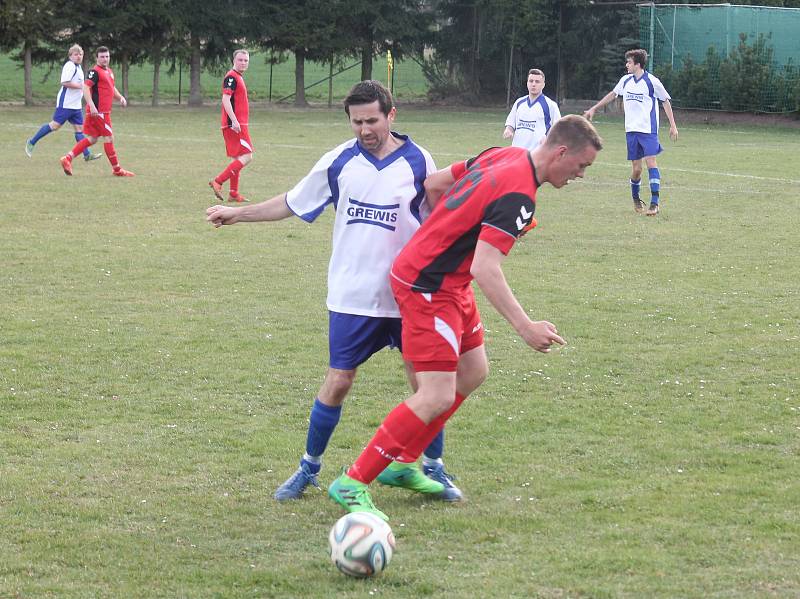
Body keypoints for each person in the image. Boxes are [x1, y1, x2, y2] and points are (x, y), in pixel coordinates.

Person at [328, 115, 603, 521]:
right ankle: (353, 481)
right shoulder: (520, 197)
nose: (581, 175)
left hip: (447, 280)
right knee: (435, 394)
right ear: (562, 152)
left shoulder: (503, 154)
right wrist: (525, 327)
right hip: (428, 284)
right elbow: (485, 267)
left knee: (473, 370)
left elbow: (435, 184)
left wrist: (448, 233)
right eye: (582, 166)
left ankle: (403, 464)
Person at [206, 80, 462, 504]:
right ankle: (308, 467)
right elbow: (292, 201)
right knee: (339, 381)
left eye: (372, 120)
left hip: (408, 296)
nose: (364, 129)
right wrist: (240, 213)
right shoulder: (339, 162)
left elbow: (439, 215)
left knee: (427, 387)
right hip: (352, 296)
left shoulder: (419, 161)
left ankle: (431, 467)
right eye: (357, 121)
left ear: (391, 115)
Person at [583, 48, 678, 216]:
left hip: (648, 130)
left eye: (629, 62)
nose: (626, 65)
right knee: (636, 170)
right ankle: (636, 198)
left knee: (651, 162)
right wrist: (594, 109)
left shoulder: (652, 82)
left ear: (638, 64)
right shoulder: (625, 81)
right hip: (631, 131)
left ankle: (655, 203)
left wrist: (673, 125)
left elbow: (665, 101)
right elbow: (613, 95)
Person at [59, 46, 134, 177]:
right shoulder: (94, 72)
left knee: (92, 139)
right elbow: (86, 88)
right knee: (109, 138)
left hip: (101, 112)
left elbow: (111, 87)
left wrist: (120, 97)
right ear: (97, 58)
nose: (105, 59)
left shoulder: (109, 71)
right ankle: (117, 170)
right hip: (99, 112)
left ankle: (67, 158)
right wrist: (92, 105)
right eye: (102, 57)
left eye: (107, 56)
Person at [25, 45, 101, 162]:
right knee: (55, 126)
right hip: (66, 104)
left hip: (75, 105)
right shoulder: (70, 66)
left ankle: (86, 154)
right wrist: (82, 86)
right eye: (75, 54)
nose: (78, 56)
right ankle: (31, 142)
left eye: (80, 54)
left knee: (79, 129)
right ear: (70, 56)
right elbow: (65, 82)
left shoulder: (78, 68)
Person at [209, 49, 252, 203]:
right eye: (240, 60)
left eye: (246, 60)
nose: (243, 63)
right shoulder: (232, 77)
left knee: (238, 158)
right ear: (234, 60)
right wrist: (234, 121)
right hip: (234, 125)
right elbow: (225, 100)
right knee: (247, 156)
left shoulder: (238, 77)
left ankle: (233, 194)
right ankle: (218, 181)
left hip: (237, 124)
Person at [503, 68, 561, 150]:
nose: (533, 84)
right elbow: (511, 123)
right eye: (531, 81)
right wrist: (508, 130)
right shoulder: (519, 103)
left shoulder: (551, 105)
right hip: (517, 152)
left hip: (537, 154)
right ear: (527, 83)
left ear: (543, 85)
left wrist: (548, 138)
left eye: (537, 82)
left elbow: (558, 128)